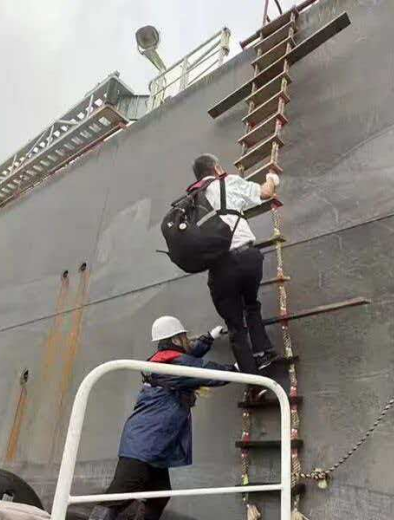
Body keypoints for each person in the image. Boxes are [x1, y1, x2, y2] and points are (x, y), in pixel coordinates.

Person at [89, 316, 234, 520]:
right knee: (121, 492)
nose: (187, 340)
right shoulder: (175, 364)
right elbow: (204, 371)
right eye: (184, 337)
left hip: (149, 441)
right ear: (175, 339)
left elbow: (188, 355)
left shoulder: (164, 360)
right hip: (145, 442)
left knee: (159, 494)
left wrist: (209, 337)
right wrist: (236, 369)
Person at [191, 153, 280, 374]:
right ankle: (262, 352)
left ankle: (252, 380)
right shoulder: (228, 182)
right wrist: (271, 178)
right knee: (251, 304)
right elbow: (266, 192)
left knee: (235, 325)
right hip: (248, 258)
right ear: (217, 168)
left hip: (220, 269)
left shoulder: (192, 201)